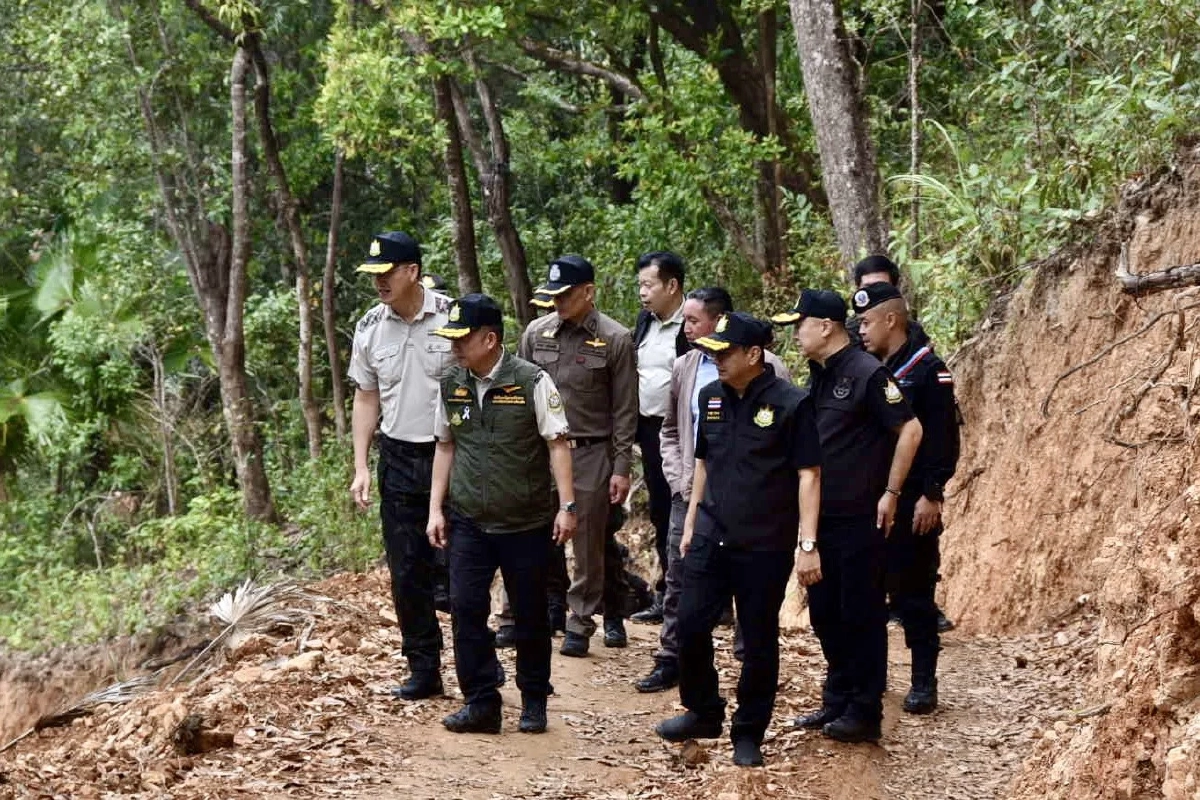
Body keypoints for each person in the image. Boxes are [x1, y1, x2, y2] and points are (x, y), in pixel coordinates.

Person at [654, 312, 822, 768]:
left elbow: (809, 475)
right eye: (713, 351)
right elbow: (703, 465)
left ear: (753, 354)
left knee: (758, 640)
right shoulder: (710, 397)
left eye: (725, 353)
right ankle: (704, 710)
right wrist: (690, 524)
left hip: (763, 542)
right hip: (710, 534)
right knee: (689, 625)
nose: (717, 360)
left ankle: (748, 731)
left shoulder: (792, 403)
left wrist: (807, 544)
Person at [773, 289, 923, 744]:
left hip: (859, 517)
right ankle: (838, 697)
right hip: (823, 517)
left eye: (799, 325)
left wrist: (892, 492)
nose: (795, 334)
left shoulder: (866, 373)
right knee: (824, 612)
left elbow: (910, 429)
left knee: (859, 612)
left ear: (825, 326)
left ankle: (864, 708)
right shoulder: (820, 374)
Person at [425, 294, 577, 734]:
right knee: (466, 608)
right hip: (469, 518)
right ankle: (481, 701)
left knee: (529, 614)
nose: (453, 346)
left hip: (525, 521)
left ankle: (534, 700)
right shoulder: (451, 383)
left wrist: (566, 506)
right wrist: (436, 508)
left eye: (461, 337)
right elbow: (445, 445)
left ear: (489, 339)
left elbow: (558, 443)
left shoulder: (532, 381)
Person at [636, 287, 791, 693]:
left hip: (752, 507)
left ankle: (747, 662)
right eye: (684, 321)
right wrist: (678, 476)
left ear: (719, 321)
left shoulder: (771, 367)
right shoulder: (686, 367)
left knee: (750, 592)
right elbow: (670, 430)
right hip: (691, 497)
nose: (686, 329)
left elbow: (791, 447)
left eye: (693, 321)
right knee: (679, 580)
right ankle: (673, 660)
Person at [348, 231, 453, 700]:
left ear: (412, 271)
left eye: (386, 273)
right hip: (399, 457)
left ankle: (479, 668)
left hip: (453, 456)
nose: (378, 283)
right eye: (372, 275)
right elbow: (366, 397)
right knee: (407, 570)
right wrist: (361, 465)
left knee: (460, 569)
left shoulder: (453, 318)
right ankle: (424, 669)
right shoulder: (370, 327)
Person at [521, 254, 638, 657]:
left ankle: (580, 620)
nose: (558, 302)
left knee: (588, 541)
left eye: (566, 294)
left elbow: (625, 410)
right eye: (552, 294)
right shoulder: (537, 333)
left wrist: (621, 467)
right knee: (531, 534)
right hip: (540, 453)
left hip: (590, 450)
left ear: (589, 292)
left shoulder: (616, 339)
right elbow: (520, 395)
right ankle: (523, 614)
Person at [853, 282, 959, 714]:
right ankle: (873, 678)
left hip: (913, 496)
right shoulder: (868, 367)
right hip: (871, 497)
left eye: (866, 322)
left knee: (913, 591)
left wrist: (932, 493)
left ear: (891, 320)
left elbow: (943, 438)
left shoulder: (928, 370)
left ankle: (922, 680)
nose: (860, 330)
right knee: (869, 592)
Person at [630, 252, 689, 624]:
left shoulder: (693, 323)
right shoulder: (645, 323)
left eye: (648, 285)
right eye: (640, 286)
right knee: (661, 511)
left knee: (688, 510)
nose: (642, 293)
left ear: (672, 285)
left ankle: (699, 596)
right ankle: (667, 593)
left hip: (684, 435)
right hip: (651, 432)